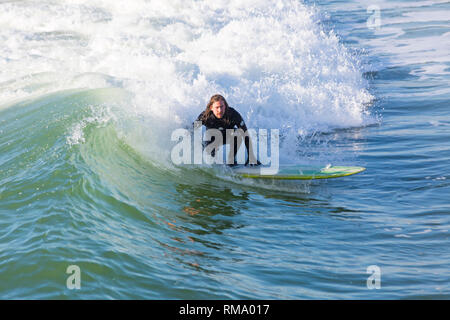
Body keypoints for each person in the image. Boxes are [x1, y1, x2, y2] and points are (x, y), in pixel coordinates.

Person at [194, 94, 260, 166]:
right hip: (212, 140)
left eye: (222, 106)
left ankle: (231, 161)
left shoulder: (233, 115)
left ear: (225, 106)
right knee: (210, 160)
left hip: (227, 136)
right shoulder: (205, 116)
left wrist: (250, 155)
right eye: (217, 107)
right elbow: (193, 129)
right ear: (211, 108)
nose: (220, 110)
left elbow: (245, 134)